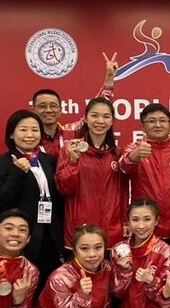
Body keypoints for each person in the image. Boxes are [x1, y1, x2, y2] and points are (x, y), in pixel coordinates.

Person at [0, 110, 64, 291]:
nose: (30, 135)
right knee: (23, 288)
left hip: (50, 234)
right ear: (11, 133)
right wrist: (18, 172)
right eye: (23, 130)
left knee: (49, 286)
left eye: (35, 130)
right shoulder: (1, 162)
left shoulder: (49, 160)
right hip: (22, 236)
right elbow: (2, 201)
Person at [55, 97, 128, 252]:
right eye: (94, 115)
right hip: (80, 231)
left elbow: (122, 194)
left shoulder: (117, 153)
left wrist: (125, 222)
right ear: (85, 119)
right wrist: (73, 162)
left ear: (112, 121)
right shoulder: (70, 149)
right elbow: (64, 188)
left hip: (112, 232)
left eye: (106, 116)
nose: (100, 121)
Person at [120, 103, 170, 255]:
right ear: (142, 126)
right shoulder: (134, 149)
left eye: (162, 120)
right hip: (145, 229)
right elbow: (123, 168)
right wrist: (136, 156)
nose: (158, 125)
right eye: (152, 121)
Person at [33, 52, 117, 157]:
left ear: (60, 109)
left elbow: (100, 106)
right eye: (42, 106)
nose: (49, 110)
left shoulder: (71, 131)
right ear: (34, 110)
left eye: (53, 106)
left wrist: (109, 78)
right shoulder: (30, 137)